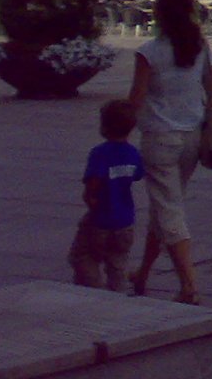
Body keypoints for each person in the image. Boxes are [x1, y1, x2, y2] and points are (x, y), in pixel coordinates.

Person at [127, 0, 212, 304]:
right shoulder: (199, 47)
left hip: (159, 138)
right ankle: (143, 273)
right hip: (192, 136)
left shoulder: (149, 52)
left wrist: (118, 130)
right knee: (163, 206)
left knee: (169, 210)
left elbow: (136, 98)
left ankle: (189, 285)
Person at [68, 100, 145, 291]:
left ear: (104, 126)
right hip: (125, 221)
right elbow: (137, 174)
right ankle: (118, 293)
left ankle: (93, 287)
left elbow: (93, 181)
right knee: (118, 261)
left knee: (82, 255)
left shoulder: (100, 154)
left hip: (101, 218)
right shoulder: (133, 153)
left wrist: (90, 197)